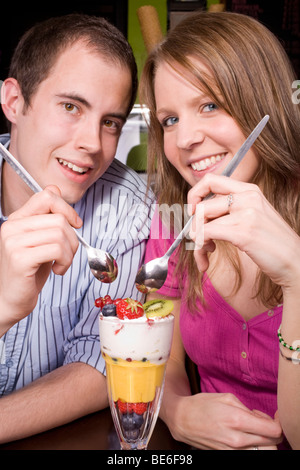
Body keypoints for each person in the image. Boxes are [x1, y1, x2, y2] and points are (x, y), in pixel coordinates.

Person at [139, 11, 300, 450]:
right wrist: (175, 410)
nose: (185, 138)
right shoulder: (175, 219)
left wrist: (297, 278)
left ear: (263, 102)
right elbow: (162, 355)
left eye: (209, 105)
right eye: (169, 119)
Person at [0, 14, 153, 443]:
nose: (91, 142)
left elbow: (99, 365)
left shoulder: (130, 206)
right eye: (71, 107)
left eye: (110, 122)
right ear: (14, 101)